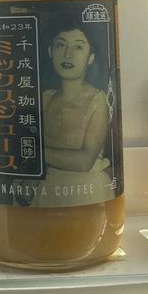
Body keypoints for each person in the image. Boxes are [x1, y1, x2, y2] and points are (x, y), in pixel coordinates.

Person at [28, 19, 114, 206]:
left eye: (78, 47)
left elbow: (84, 161)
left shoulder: (97, 100)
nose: (68, 54)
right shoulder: (45, 98)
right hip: (47, 192)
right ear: (50, 52)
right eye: (61, 45)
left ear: (90, 57)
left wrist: (33, 154)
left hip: (87, 193)